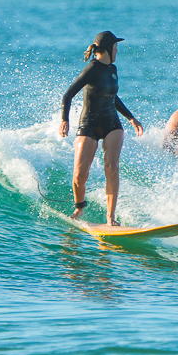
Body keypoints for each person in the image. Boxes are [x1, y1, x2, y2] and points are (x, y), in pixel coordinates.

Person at [59, 30, 144, 223]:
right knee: (80, 175)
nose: (117, 50)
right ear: (108, 48)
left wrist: (131, 118)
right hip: (89, 124)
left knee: (112, 167)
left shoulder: (112, 69)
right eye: (116, 46)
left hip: (111, 123)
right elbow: (68, 95)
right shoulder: (92, 68)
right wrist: (65, 120)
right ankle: (79, 208)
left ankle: (110, 217)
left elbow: (112, 96)